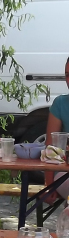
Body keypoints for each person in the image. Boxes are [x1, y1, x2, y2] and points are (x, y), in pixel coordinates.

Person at [44, 56, 69, 203]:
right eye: (67, 75)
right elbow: (50, 147)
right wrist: (49, 185)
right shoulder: (60, 103)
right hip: (65, 174)